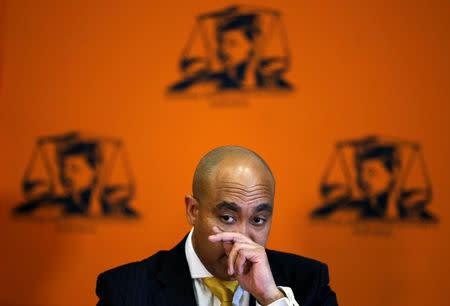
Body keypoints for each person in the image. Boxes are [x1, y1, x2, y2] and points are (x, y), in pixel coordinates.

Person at [96, 146, 338, 305]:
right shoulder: (124, 291)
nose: (241, 238)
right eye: (227, 218)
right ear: (193, 210)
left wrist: (271, 298)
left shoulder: (309, 283)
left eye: (257, 220)